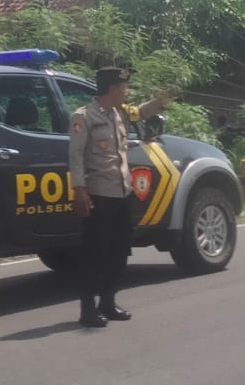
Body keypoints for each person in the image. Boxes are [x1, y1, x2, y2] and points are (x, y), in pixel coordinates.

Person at [68, 67, 173, 329]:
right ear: (112, 89)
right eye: (124, 87)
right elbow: (76, 156)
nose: (127, 92)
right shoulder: (84, 117)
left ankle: (108, 302)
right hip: (99, 194)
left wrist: (158, 103)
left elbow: (142, 112)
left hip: (122, 192)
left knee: (119, 251)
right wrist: (79, 190)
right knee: (95, 253)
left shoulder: (121, 113)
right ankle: (88, 309)